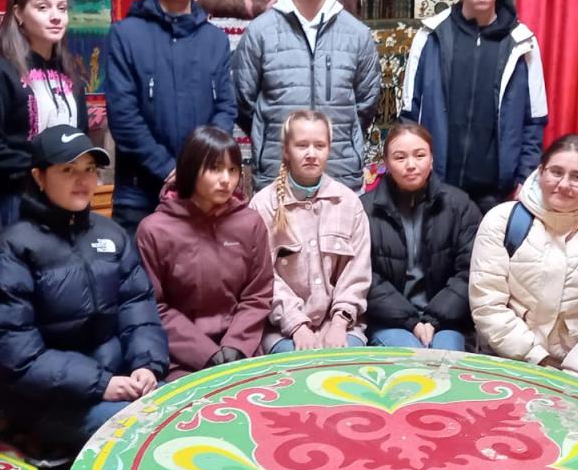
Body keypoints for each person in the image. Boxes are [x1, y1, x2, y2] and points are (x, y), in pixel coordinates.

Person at [0, 124, 169, 453]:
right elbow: (18, 356)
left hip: (115, 381)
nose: (83, 180)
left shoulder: (112, 235)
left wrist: (146, 365)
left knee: (178, 410)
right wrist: (101, 384)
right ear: (39, 177)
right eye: (68, 170)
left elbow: (138, 310)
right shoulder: (10, 252)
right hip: (44, 400)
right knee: (142, 429)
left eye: (90, 169)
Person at [469, 134, 578, 383]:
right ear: (540, 172)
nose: (563, 184)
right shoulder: (503, 221)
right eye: (556, 172)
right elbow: (487, 304)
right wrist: (539, 360)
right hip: (506, 361)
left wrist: (575, 375)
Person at [400, 0, 548, 214]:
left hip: (497, 195)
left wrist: (523, 179)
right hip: (437, 188)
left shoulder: (522, 42)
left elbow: (535, 120)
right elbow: (410, 113)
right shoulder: (430, 36)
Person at [105, 0, 236, 239]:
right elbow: (124, 116)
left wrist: (200, 165)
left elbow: (226, 108)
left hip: (202, 190)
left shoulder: (215, 40)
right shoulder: (126, 34)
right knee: (138, 270)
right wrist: (167, 169)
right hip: (139, 193)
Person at [232, 0, 380, 192]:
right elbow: (244, 103)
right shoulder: (260, 33)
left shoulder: (357, 35)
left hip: (340, 173)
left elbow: (366, 105)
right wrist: (270, 138)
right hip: (277, 173)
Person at [136, 126, 272, 378]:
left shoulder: (250, 222)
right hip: (182, 358)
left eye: (233, 170)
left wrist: (236, 346)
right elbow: (154, 305)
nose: (226, 179)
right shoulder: (154, 230)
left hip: (242, 351)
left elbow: (258, 294)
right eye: (215, 169)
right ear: (190, 170)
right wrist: (205, 353)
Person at [0, 0, 89, 240]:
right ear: (19, 14)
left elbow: (80, 138)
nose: (56, 16)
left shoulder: (72, 73)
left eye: (62, 8)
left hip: (69, 198)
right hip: (17, 201)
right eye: (43, 7)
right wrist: (43, 170)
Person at [250, 110, 371, 352]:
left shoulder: (348, 203)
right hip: (281, 328)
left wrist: (338, 323)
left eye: (320, 145)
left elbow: (356, 273)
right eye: (302, 145)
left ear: (329, 149)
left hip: (341, 325)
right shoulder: (262, 206)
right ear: (286, 150)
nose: (311, 154)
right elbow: (263, 278)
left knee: (343, 366)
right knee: (300, 367)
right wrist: (297, 325)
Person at [361, 122, 481, 350]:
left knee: (446, 357)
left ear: (431, 159)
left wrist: (432, 320)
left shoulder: (460, 206)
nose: (411, 165)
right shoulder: (365, 210)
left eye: (419, 155)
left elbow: (470, 272)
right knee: (410, 357)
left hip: (446, 320)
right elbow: (365, 276)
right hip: (389, 320)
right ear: (386, 163)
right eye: (400, 158)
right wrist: (412, 322)